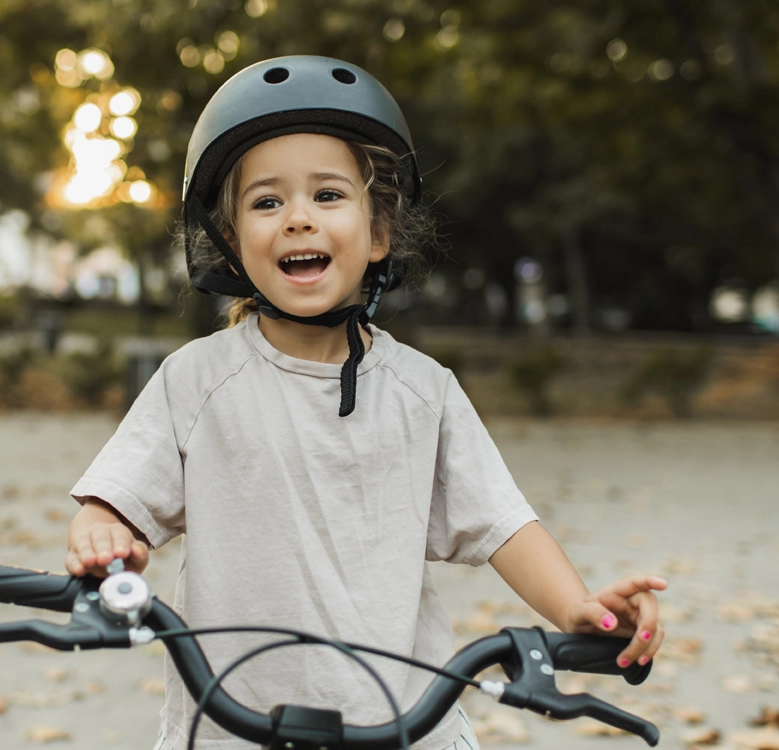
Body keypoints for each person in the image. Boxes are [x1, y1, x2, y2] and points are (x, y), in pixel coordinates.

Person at [65, 56, 666, 750]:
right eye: (266, 201)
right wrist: (102, 525)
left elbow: (502, 523)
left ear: (378, 233)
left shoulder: (423, 392)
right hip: (234, 725)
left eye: (327, 195)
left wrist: (579, 608)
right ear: (230, 242)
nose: (297, 219)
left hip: (406, 724)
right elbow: (119, 497)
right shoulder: (196, 381)